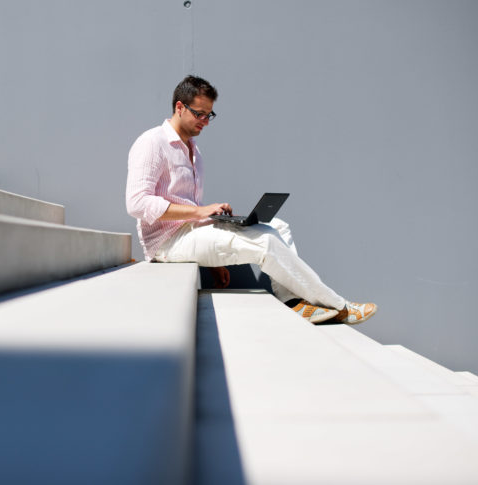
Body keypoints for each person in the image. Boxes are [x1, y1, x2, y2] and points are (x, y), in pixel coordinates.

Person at [125, 75, 376, 324]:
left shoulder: (194, 151)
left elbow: (191, 213)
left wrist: (211, 260)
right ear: (179, 107)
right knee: (265, 242)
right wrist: (201, 212)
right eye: (200, 114)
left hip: (190, 232)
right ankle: (339, 306)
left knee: (278, 226)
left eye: (209, 115)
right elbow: (136, 203)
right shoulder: (152, 142)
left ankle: (292, 302)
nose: (205, 122)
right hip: (166, 243)